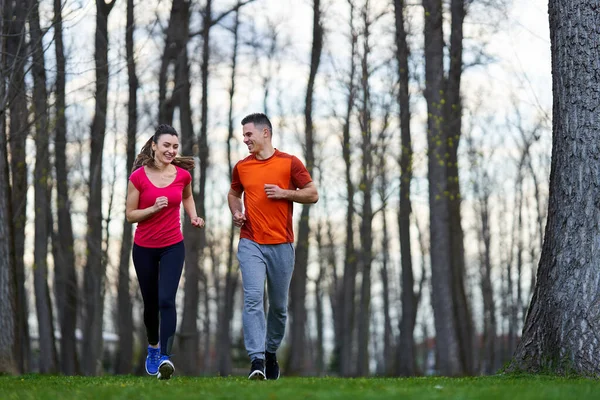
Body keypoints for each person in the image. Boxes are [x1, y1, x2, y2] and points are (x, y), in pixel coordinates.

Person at [228, 113, 319, 380]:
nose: (245, 139)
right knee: (253, 299)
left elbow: (312, 193)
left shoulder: (289, 163)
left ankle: (269, 353)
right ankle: (256, 360)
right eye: (243, 135)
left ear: (265, 133)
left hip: (282, 244)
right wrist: (237, 211)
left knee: (278, 307)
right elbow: (234, 193)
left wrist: (285, 193)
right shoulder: (242, 167)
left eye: (248, 134)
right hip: (250, 241)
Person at [126, 124, 205, 380]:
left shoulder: (182, 175)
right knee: (150, 304)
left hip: (173, 245)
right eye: (166, 146)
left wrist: (194, 216)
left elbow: (187, 197)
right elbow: (130, 215)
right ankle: (153, 347)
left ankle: (165, 358)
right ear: (154, 146)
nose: (171, 151)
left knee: (167, 300)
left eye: (175, 146)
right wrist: (152, 209)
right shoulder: (138, 176)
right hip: (144, 248)